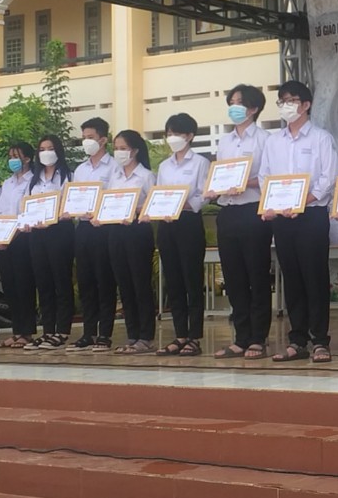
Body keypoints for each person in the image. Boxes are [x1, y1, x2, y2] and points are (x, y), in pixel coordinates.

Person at [260, 81, 338, 363]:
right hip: (282, 219)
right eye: (282, 101)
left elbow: (328, 178)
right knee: (291, 278)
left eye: (291, 100)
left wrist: (303, 201)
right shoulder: (273, 141)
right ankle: (297, 340)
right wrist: (272, 204)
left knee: (314, 277)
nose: (286, 106)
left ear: (306, 105)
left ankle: (320, 341)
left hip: (311, 216)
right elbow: (265, 177)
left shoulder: (321, 138)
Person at [209, 84, 273, 360]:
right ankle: (240, 337)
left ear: (254, 108)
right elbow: (218, 175)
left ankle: (258, 337)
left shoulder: (265, 140)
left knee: (256, 276)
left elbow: (270, 176)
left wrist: (245, 183)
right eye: (231, 102)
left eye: (240, 102)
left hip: (253, 210)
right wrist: (216, 187)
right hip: (228, 211)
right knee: (233, 277)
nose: (234, 107)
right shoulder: (224, 142)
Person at [151, 113, 211, 357]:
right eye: (169, 133)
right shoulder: (165, 166)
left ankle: (194, 336)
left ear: (189, 136)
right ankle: (180, 335)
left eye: (176, 133)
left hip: (188, 222)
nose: (171, 138)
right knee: (173, 281)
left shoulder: (200, 163)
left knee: (191, 280)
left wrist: (185, 204)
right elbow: (159, 193)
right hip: (167, 225)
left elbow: (204, 194)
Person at [102, 130, 157, 354]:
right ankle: (132, 334)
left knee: (140, 284)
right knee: (124, 284)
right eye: (116, 148)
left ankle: (146, 336)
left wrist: (134, 208)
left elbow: (154, 204)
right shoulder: (114, 176)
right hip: (116, 231)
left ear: (134, 150)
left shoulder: (146, 176)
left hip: (138, 231)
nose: (119, 152)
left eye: (123, 148)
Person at [70, 117, 118, 352]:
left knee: (104, 281)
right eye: (84, 138)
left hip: (104, 228)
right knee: (86, 281)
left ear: (103, 139)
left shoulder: (114, 167)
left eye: (90, 137)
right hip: (84, 228)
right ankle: (88, 332)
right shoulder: (80, 169)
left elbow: (117, 197)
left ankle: (105, 333)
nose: (86, 142)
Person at [25, 135, 76, 351]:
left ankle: (62, 331)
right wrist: (27, 221)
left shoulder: (68, 175)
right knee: (43, 282)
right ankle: (47, 330)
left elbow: (72, 204)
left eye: (50, 148)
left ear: (58, 151)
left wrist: (55, 216)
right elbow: (28, 206)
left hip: (59, 231)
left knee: (61, 280)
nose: (46, 152)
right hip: (37, 234)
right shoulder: (34, 179)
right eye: (42, 149)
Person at [0, 142, 37, 349]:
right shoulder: (7, 183)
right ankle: (16, 331)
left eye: (16, 156)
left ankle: (27, 332)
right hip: (4, 240)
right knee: (10, 287)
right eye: (10, 157)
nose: (12, 161)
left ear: (27, 158)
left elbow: (28, 212)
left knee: (24, 286)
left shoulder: (34, 181)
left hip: (23, 239)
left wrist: (11, 235)